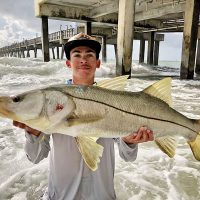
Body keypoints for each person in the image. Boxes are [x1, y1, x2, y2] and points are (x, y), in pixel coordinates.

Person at [13, 32, 154, 200]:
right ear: (68, 63)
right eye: (77, 54)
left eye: (89, 55)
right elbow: (35, 157)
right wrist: (33, 133)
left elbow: (128, 156)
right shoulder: (53, 101)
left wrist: (130, 141)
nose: (83, 60)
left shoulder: (115, 99)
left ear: (98, 63)